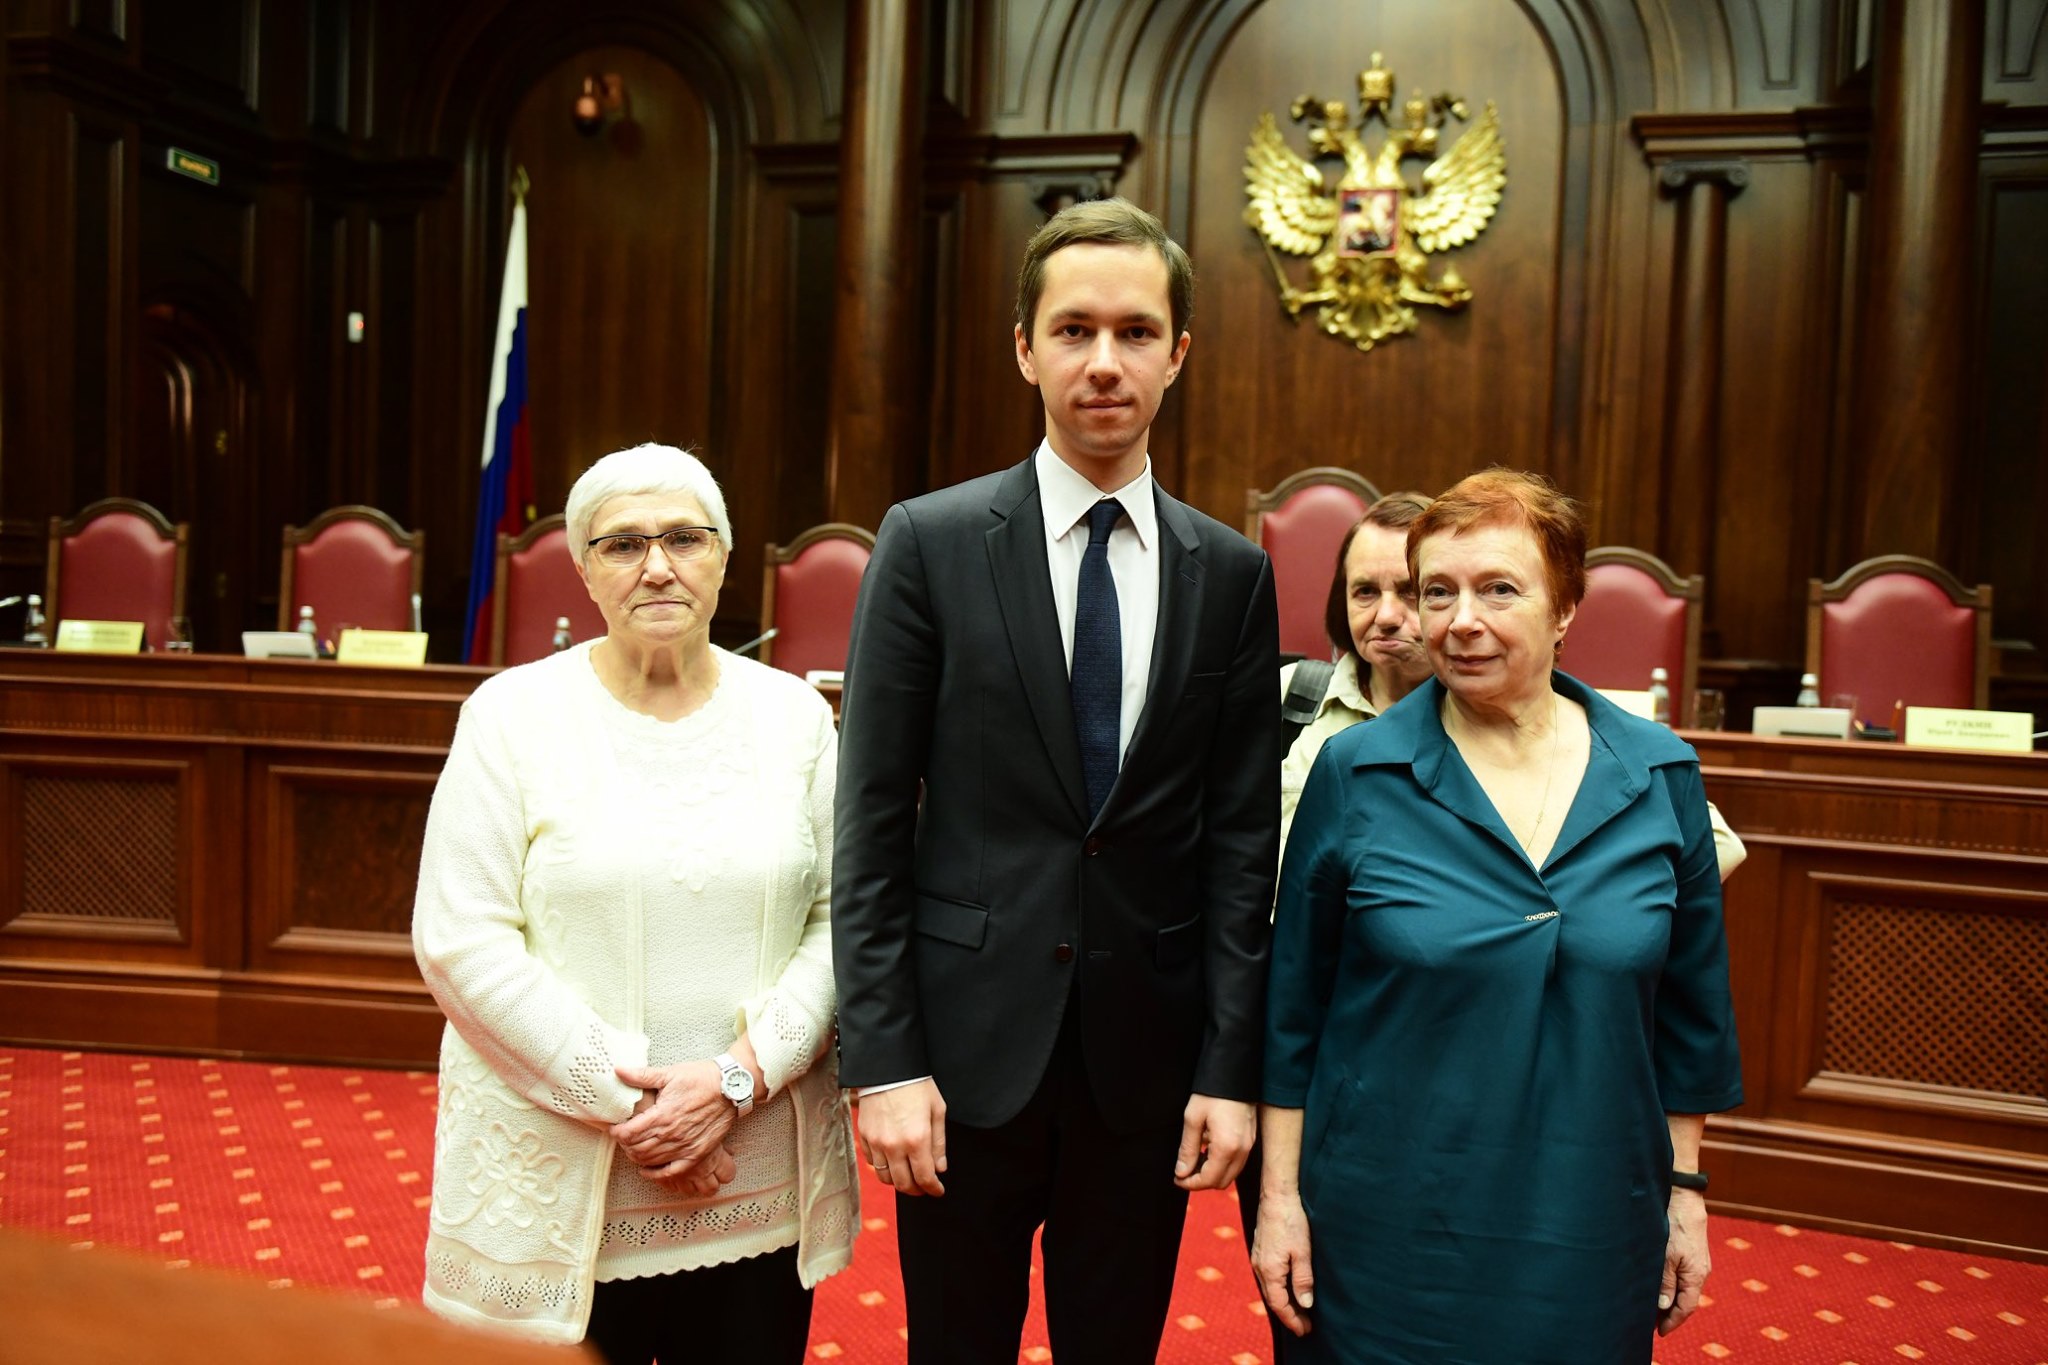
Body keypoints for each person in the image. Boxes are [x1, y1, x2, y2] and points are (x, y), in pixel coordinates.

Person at [832, 198, 1280, 1363]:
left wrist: (1228, 1068)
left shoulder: (1231, 574)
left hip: (1145, 1070)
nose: (1103, 362)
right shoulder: (927, 543)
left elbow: (1240, 848)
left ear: (1178, 355)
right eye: (1073, 330)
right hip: (960, 1060)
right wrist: (884, 1061)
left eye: (1135, 332)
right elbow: (868, 824)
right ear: (1024, 349)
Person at [1254, 468, 1743, 1363]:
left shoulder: (1659, 773)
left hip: (1591, 1218)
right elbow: (1292, 1014)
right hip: (1383, 1221)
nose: (1459, 620)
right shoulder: (1356, 771)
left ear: (1566, 607)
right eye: (1438, 591)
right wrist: (1278, 1201)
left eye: (1498, 589)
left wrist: (1686, 1193)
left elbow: (1693, 1018)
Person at [411, 443, 855, 1360]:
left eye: (684, 538)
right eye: (621, 544)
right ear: (582, 568)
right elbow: (461, 939)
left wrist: (733, 1082)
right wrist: (644, 1111)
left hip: (755, 1182)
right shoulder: (510, 715)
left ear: (724, 556)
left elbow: (841, 921)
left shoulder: (797, 719)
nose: (657, 566)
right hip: (565, 1181)